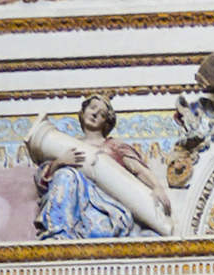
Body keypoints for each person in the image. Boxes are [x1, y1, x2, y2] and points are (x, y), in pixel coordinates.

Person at [35, 95, 171, 240]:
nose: (95, 114)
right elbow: (43, 182)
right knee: (65, 174)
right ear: (83, 112)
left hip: (106, 206)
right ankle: (60, 234)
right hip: (77, 203)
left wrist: (157, 187)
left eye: (102, 114)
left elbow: (139, 170)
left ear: (106, 123)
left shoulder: (115, 146)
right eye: (92, 108)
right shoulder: (67, 146)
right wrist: (60, 161)